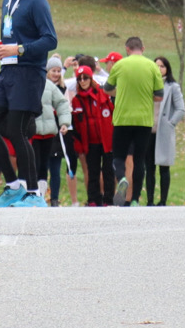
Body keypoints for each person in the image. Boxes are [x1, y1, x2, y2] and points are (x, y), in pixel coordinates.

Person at [0, 0, 58, 206]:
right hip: (7, 73)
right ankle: (14, 187)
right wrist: (2, 47)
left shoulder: (36, 2)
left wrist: (18, 50)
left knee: (16, 130)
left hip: (28, 74)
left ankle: (34, 194)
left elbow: (50, 40)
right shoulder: (7, 1)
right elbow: (12, 36)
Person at [106, 38, 161, 206]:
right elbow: (159, 95)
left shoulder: (119, 65)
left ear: (127, 49)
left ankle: (122, 178)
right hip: (143, 120)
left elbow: (107, 89)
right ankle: (136, 199)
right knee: (139, 160)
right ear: (142, 48)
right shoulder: (152, 66)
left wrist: (121, 93)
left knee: (118, 156)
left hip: (122, 118)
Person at [68, 63, 114, 205]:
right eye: (80, 79)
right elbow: (76, 123)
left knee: (108, 172)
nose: (82, 81)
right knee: (92, 172)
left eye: (85, 78)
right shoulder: (77, 100)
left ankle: (108, 199)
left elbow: (112, 113)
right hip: (90, 142)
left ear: (90, 78)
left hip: (106, 140)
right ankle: (93, 199)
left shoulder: (102, 94)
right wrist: (79, 143)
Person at [33, 60, 72, 203]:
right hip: (33, 131)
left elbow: (62, 104)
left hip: (49, 132)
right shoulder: (29, 85)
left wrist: (64, 122)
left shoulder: (50, 87)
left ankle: (41, 196)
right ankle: (32, 193)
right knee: (34, 164)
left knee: (43, 165)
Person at [148, 56, 185, 205]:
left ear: (167, 69)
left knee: (164, 167)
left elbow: (181, 109)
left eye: (162, 66)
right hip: (148, 131)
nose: (159, 69)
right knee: (148, 168)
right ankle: (149, 200)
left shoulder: (172, 87)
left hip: (163, 130)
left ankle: (162, 200)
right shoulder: (148, 84)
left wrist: (170, 123)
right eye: (156, 66)